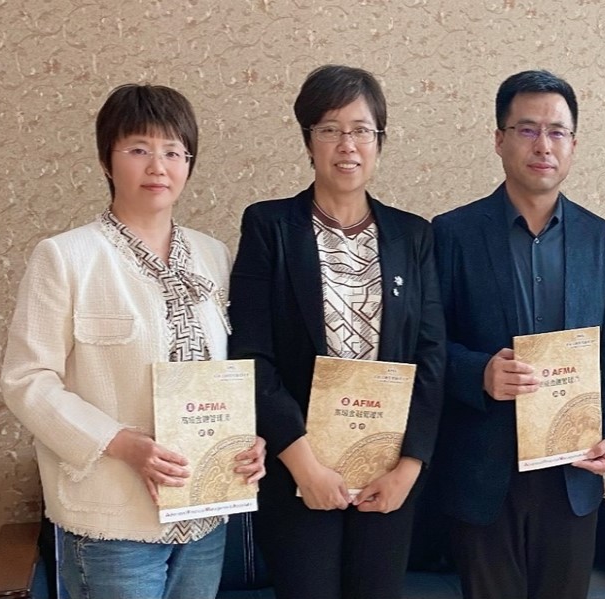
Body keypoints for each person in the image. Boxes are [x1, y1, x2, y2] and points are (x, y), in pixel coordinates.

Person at [0, 83, 266, 599]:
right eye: (139, 149)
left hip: (206, 512)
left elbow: (228, 368)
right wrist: (123, 443)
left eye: (174, 152)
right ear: (107, 159)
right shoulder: (66, 257)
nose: (158, 167)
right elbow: (26, 380)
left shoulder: (213, 255)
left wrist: (247, 437)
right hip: (112, 518)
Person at [227, 65, 445, 599]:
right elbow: (251, 354)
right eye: (330, 129)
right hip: (298, 473)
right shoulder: (270, 227)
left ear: (379, 141)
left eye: (361, 130)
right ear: (308, 141)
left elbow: (431, 356)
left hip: (387, 474)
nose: (347, 145)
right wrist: (305, 466)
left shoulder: (413, 236)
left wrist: (409, 467)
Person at [429, 69, 605, 599]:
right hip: (483, 474)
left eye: (557, 131)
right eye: (527, 130)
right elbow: (426, 348)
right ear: (499, 139)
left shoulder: (601, 239)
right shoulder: (452, 234)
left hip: (572, 474)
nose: (543, 145)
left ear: (573, 145)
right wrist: (479, 373)